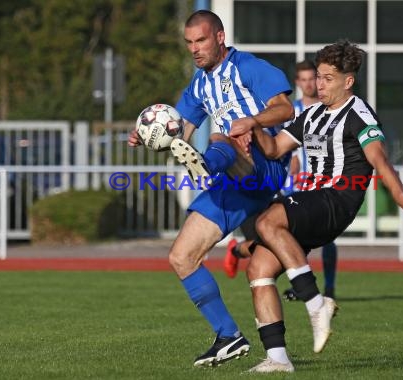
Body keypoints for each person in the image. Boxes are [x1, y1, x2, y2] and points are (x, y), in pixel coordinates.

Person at [230, 40, 403, 373]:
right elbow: (275, 148)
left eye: (326, 78)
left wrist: (398, 195)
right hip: (313, 200)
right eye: (317, 77)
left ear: (348, 81)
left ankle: (316, 303)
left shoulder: (359, 114)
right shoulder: (311, 114)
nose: (319, 85)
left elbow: (378, 158)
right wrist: (254, 126)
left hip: (337, 199)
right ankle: (278, 359)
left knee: (267, 222)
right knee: (258, 270)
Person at [128, 10, 294, 368]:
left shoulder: (248, 67)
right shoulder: (199, 85)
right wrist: (149, 136)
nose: (194, 49)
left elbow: (284, 109)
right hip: (231, 180)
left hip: (263, 167)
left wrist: (251, 121)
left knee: (224, 133)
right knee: (182, 257)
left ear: (219, 37)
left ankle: (208, 165)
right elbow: (180, 132)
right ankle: (228, 336)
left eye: (200, 41)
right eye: (189, 43)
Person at [224, 60, 339, 301]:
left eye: (313, 79)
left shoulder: (330, 110)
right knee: (282, 239)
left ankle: (328, 289)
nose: (309, 84)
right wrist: (292, 158)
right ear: (297, 83)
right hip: (290, 183)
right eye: (304, 79)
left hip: (321, 182)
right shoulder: (289, 110)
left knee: (328, 238)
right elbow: (276, 142)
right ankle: (299, 285)